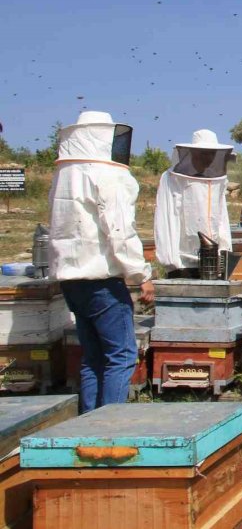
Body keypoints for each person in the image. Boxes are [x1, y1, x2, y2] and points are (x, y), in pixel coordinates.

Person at [48, 110, 154, 413]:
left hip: (71, 281)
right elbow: (119, 231)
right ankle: (108, 430)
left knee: (93, 357)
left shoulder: (64, 176)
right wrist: (140, 275)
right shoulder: (109, 175)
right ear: (105, 137)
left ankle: (87, 424)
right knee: (120, 355)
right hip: (102, 282)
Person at [154, 129, 234, 278]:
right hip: (184, 262)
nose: (209, 158)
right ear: (193, 153)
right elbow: (166, 218)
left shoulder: (217, 181)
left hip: (213, 261)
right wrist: (172, 263)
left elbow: (221, 218)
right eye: (204, 153)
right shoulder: (173, 179)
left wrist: (225, 251)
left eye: (212, 153)